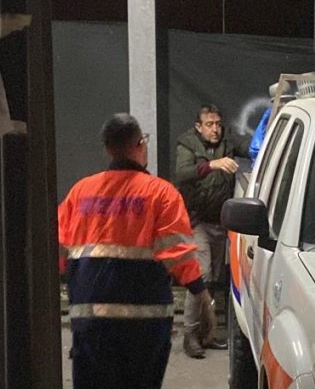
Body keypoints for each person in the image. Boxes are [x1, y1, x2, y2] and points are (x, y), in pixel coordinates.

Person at [58, 113, 217, 388]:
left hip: (91, 321)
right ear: (141, 145)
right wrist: (202, 299)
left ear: (107, 149)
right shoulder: (162, 193)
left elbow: (59, 252)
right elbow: (179, 255)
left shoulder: (80, 192)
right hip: (146, 324)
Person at [175, 104, 250, 358]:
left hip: (221, 223)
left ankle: (206, 336)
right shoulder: (187, 145)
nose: (215, 129)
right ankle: (190, 334)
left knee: (214, 278)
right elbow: (182, 173)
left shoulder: (228, 141)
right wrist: (212, 164)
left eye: (218, 123)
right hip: (197, 223)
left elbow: (252, 146)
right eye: (209, 124)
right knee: (202, 275)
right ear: (198, 127)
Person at [249, 81, 296, 165]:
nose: (283, 104)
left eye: (285, 101)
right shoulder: (269, 117)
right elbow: (256, 149)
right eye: (280, 101)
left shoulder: (299, 111)